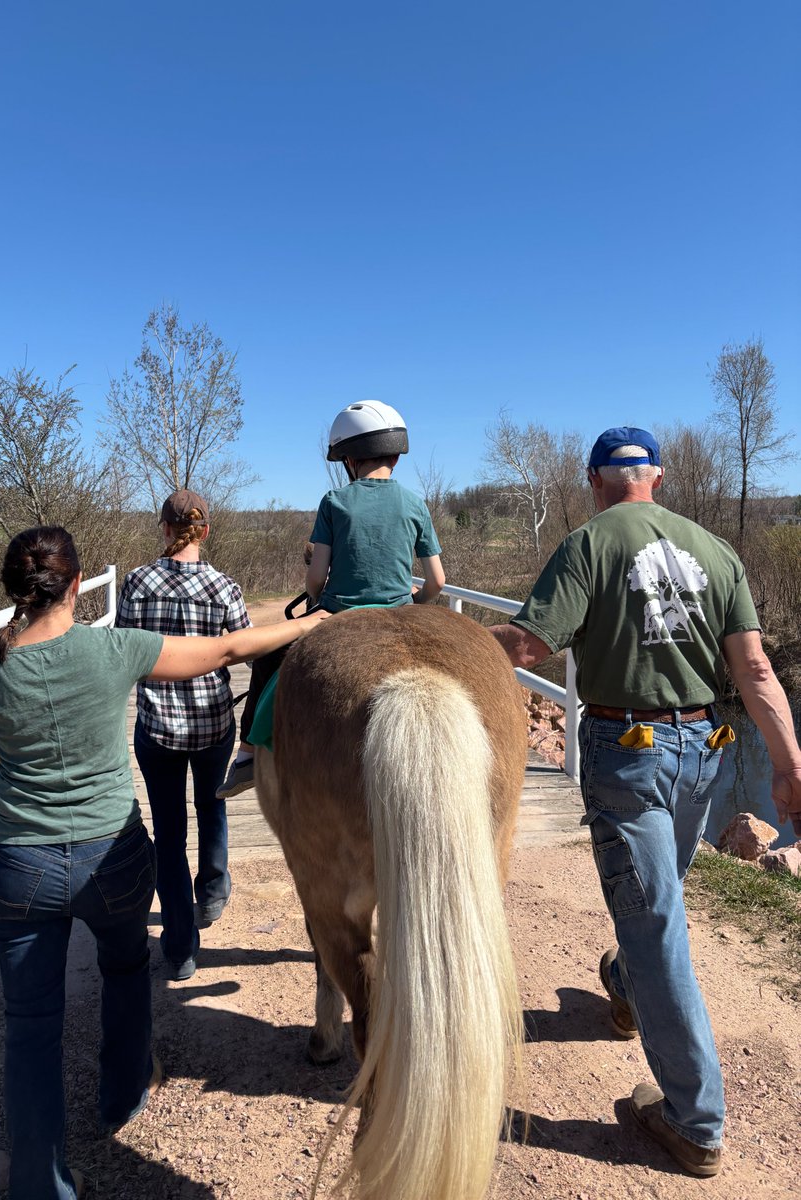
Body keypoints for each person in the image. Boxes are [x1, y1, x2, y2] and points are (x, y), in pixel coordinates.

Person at [0, 526, 329, 1200]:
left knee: (30, 1025)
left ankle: (40, 1183)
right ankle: (122, 1097)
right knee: (125, 969)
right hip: (112, 858)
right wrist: (314, 622)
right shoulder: (111, 650)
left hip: (21, 866)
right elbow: (229, 646)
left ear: (17, 590)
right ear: (75, 587)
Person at [491, 427, 801, 1179]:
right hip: (706, 748)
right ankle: (629, 985)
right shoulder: (713, 549)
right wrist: (790, 764)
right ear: (655, 476)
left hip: (627, 755)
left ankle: (695, 1122)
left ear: (597, 480)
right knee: (659, 900)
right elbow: (755, 667)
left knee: (655, 920)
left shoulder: (589, 543)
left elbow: (528, 647)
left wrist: (438, 637)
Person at [217, 400, 445, 797]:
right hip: (401, 612)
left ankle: (248, 754)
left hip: (339, 612)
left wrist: (316, 596)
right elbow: (437, 581)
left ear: (348, 458)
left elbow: (316, 576)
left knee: (271, 661)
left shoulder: (334, 502)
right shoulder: (415, 504)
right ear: (395, 454)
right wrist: (416, 600)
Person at [115, 490, 248, 980]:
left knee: (169, 832)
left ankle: (178, 948)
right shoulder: (225, 588)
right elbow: (241, 649)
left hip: (158, 727)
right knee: (212, 806)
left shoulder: (136, 584)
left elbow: (124, 651)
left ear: (165, 528)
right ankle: (211, 896)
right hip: (213, 723)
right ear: (205, 531)